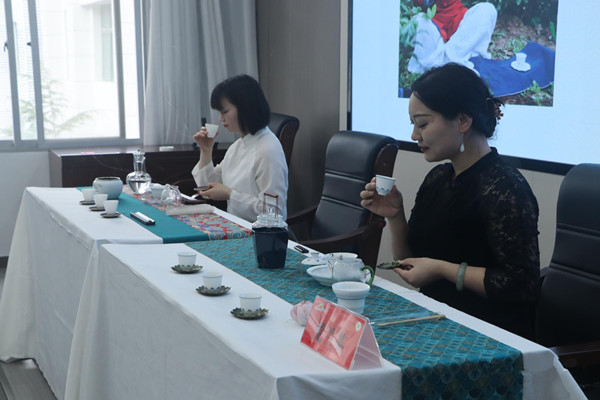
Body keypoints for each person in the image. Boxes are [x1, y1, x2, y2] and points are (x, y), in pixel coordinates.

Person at [360, 63, 540, 339]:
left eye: (423, 124)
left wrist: (442, 270)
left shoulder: (504, 187)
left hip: (488, 335)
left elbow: (521, 285)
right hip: (436, 319)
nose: (414, 135)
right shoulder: (438, 178)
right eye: (413, 125)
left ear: (463, 121)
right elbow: (410, 261)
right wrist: (395, 215)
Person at [191, 74, 288, 222]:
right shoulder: (238, 145)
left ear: (245, 108)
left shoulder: (268, 150)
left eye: (225, 111)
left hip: (261, 232)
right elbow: (208, 187)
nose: (221, 119)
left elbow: (273, 213)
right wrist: (206, 150)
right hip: (236, 225)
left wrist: (230, 195)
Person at [407, 0, 497, 74]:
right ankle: (436, 65)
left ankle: (452, 59)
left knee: (487, 9)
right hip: (434, 24)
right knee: (419, 20)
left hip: (458, 20)